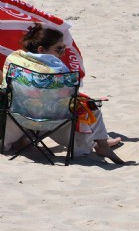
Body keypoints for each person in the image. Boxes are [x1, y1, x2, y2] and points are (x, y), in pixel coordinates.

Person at [1, 24, 124, 164]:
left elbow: (6, 87)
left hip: (17, 118)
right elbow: (70, 99)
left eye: (64, 49)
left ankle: (22, 140)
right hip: (52, 122)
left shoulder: (14, 59)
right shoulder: (59, 70)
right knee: (91, 107)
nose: (62, 53)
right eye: (58, 49)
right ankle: (102, 145)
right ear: (41, 49)